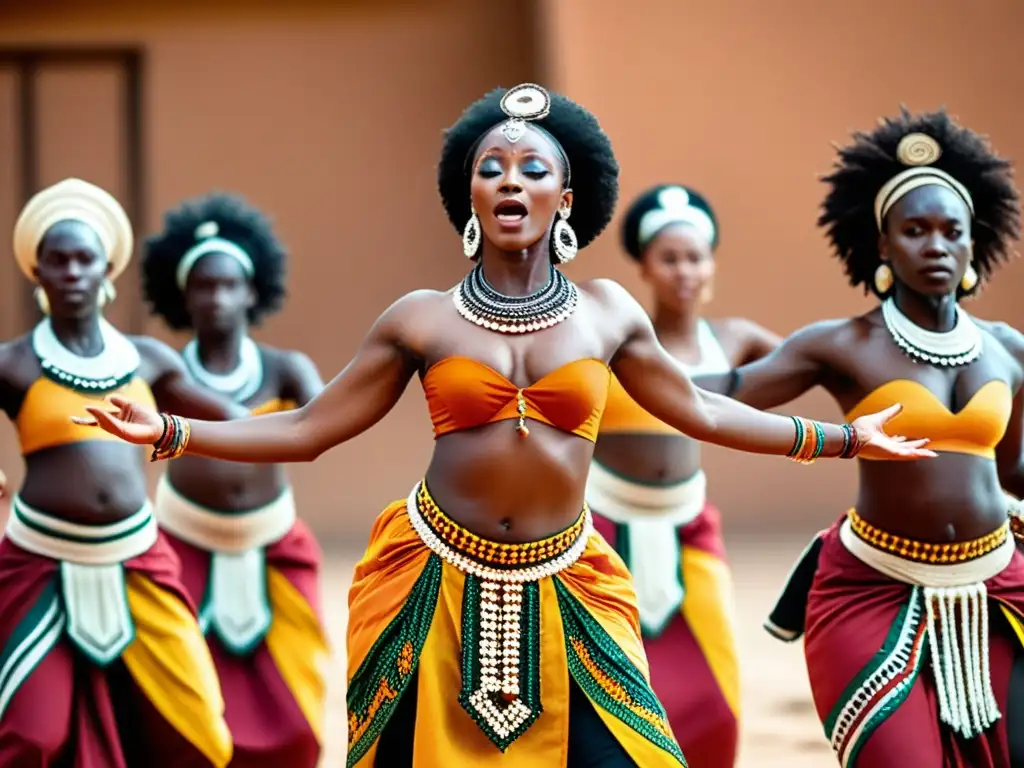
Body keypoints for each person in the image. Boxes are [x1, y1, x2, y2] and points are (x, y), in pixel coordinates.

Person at [75, 84, 932, 768]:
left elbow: (703, 409)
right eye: (492, 166)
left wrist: (847, 441)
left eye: (531, 167)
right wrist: (169, 435)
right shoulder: (421, 319)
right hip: (431, 578)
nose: (511, 179)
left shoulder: (606, 313)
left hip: (571, 578)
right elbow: (306, 429)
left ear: (566, 195)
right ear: (469, 196)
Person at [694, 109, 1024, 766]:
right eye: (915, 231)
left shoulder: (1009, 349)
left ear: (970, 245)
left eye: (950, 232)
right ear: (882, 245)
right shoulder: (842, 345)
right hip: (876, 588)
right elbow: (722, 391)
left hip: (1000, 583)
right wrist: (613, 360)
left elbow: (1014, 471)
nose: (935, 245)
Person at [0, 178, 247, 766]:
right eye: (57, 260)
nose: (72, 272)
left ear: (107, 269)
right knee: (29, 737)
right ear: (37, 272)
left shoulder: (149, 359)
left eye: (85, 258)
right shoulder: (12, 362)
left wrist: (309, 414)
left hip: (138, 557)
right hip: (39, 559)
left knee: (204, 737)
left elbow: (239, 422)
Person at [589, 184, 781, 767]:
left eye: (695, 257)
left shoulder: (736, 339)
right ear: (644, 265)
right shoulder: (615, 338)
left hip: (689, 522)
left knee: (714, 688)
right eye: (669, 258)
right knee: (605, 674)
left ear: (712, 262)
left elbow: (821, 361)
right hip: (601, 522)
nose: (684, 271)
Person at [141, 192, 328, 768]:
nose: (217, 296)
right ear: (184, 296)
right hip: (180, 544)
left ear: (253, 291)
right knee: (181, 707)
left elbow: (325, 423)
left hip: (273, 547)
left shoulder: (285, 368)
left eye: (228, 284)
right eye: (203, 285)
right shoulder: (162, 371)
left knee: (297, 713)